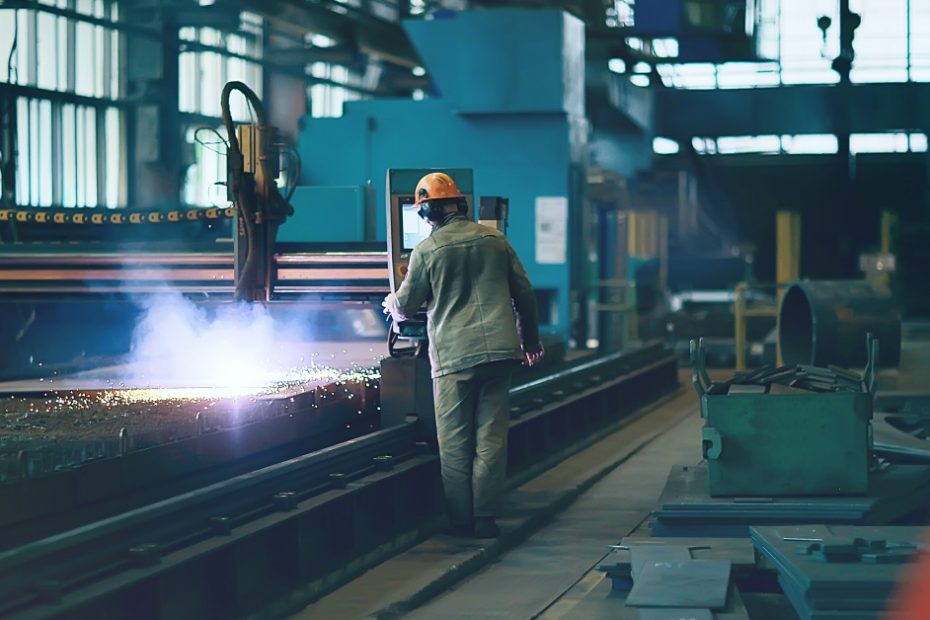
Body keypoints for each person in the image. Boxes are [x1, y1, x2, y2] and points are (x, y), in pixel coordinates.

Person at [383, 172, 544, 538]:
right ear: (462, 205)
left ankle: (461, 521)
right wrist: (530, 342)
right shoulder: (495, 239)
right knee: (491, 439)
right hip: (501, 353)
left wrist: (390, 303)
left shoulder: (427, 250)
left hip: (455, 358)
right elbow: (525, 294)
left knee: (455, 443)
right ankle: (486, 518)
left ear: (426, 214)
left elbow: (406, 306)